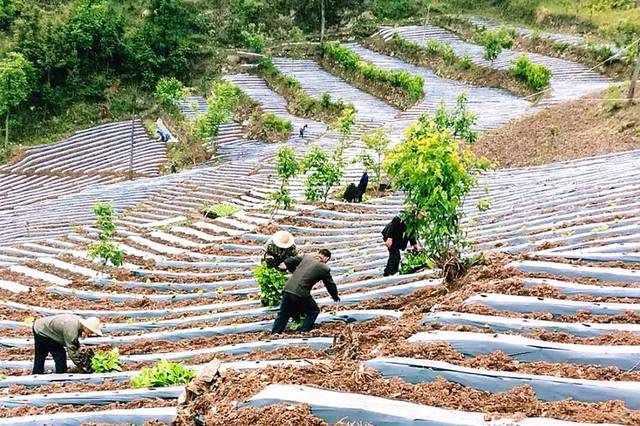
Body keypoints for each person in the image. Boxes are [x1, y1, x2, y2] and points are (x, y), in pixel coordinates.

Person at [271, 249, 340, 334]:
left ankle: (275, 333)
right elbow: (330, 284)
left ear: (318, 253)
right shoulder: (324, 268)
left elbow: (291, 260)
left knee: (283, 313)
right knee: (313, 311)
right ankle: (303, 331)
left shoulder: (306, 257)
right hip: (300, 292)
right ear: (326, 258)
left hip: (287, 289)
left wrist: (285, 264)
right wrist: (335, 296)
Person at [32, 314, 102, 375]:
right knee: (59, 354)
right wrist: (81, 367)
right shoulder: (72, 329)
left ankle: (37, 373)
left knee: (40, 354)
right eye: (91, 331)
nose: (91, 333)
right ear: (86, 327)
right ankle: (61, 375)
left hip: (39, 326)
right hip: (44, 331)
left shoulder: (77, 322)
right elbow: (72, 351)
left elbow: (73, 341)